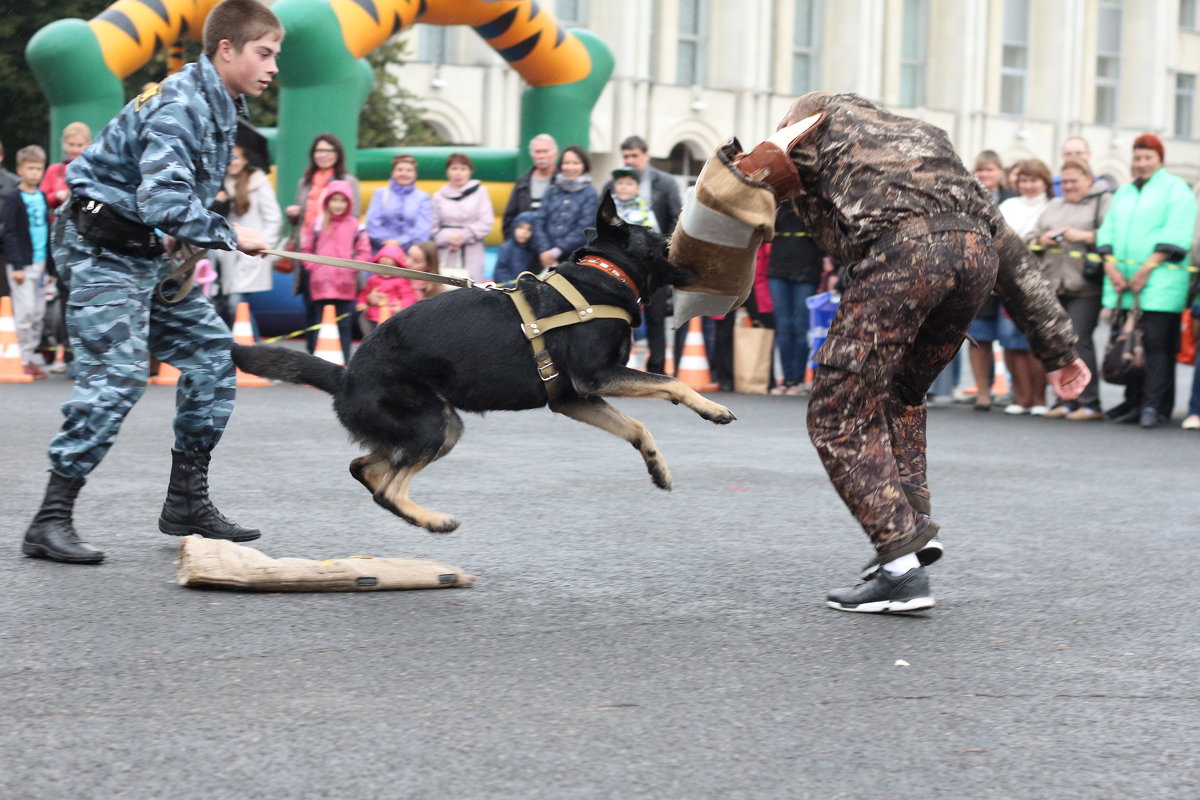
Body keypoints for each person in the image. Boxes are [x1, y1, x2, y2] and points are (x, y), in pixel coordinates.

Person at [744, 92, 1086, 612]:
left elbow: (778, 202)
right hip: (975, 258)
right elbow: (1009, 245)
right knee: (901, 393)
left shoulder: (807, 132)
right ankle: (913, 529)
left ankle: (901, 569)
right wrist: (1060, 349)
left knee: (836, 415)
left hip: (902, 257)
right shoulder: (928, 138)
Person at [20, 0, 282, 565]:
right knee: (117, 378)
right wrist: (231, 232)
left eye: (277, 55)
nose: (273, 66)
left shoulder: (221, 106)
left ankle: (186, 502)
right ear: (227, 49)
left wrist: (197, 236)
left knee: (213, 358)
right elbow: (161, 200)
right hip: (99, 249)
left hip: (144, 255)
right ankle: (49, 520)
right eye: (265, 53)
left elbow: (169, 201)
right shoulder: (181, 105)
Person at [1096, 133, 1197, 428]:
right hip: (1125, 285)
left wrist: (1146, 269)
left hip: (1160, 283)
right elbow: (1108, 230)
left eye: (1147, 158)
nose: (1140, 164)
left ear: (1160, 160)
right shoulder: (1125, 192)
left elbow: (1177, 232)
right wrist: (1111, 267)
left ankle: (1154, 405)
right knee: (1129, 344)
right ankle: (1134, 400)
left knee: (1156, 345)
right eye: (1137, 158)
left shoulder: (1175, 189)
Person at [1030, 157, 1111, 420]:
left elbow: (1113, 234)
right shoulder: (1054, 205)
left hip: (1085, 287)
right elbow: (1031, 238)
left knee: (1080, 341)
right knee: (1058, 344)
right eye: (1063, 181)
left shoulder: (1103, 202)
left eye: (1073, 181)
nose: (1068, 186)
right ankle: (1065, 399)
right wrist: (1042, 239)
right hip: (1055, 285)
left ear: (1089, 180)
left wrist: (1085, 236)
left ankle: (1090, 402)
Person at [601, 135, 684, 375]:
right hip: (620, 263)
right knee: (618, 315)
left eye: (634, 155)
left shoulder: (664, 182)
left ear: (646, 156)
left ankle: (656, 368)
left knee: (657, 316)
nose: (630, 160)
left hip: (653, 262)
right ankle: (614, 366)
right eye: (626, 156)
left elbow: (675, 219)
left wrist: (667, 253)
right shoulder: (612, 183)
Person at [286, 133, 361, 339]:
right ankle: (313, 351)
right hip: (309, 250)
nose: (324, 155)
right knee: (312, 305)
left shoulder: (348, 181)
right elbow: (301, 216)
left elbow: (353, 217)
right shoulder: (306, 181)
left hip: (337, 252)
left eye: (329, 150)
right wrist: (294, 214)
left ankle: (340, 354)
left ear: (338, 154)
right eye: (319, 150)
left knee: (339, 311)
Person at [997, 159, 1055, 415]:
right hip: (1009, 279)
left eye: (1034, 180)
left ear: (1045, 182)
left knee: (1037, 341)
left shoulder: (1053, 207)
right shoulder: (1008, 205)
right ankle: (1021, 397)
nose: (1029, 185)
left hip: (1042, 280)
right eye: (1024, 180)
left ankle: (1039, 398)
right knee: (1011, 340)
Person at [37, 122, 92, 375]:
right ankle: (67, 352)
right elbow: (43, 195)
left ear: (88, 145)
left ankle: (85, 354)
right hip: (59, 240)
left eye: (80, 145)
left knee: (86, 296)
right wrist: (56, 195)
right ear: (64, 145)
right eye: (71, 145)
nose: (75, 149)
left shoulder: (93, 167)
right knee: (64, 296)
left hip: (86, 238)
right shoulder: (55, 170)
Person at [962, 150, 1016, 411]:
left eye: (990, 170)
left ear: (1001, 173)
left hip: (1008, 276)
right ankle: (982, 391)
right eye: (980, 170)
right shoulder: (966, 199)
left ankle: (1012, 391)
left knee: (1010, 337)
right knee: (979, 336)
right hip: (979, 275)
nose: (985, 175)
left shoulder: (1013, 200)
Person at [213, 125, 281, 330]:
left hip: (250, 251)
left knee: (236, 303)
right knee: (226, 305)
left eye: (236, 157)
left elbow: (274, 219)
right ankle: (245, 349)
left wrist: (262, 244)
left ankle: (254, 349)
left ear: (245, 159)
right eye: (228, 158)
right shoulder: (221, 185)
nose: (231, 163)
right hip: (227, 253)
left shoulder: (258, 183)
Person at [301, 180, 371, 363]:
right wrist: (314, 267)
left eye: (342, 200)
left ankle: (344, 364)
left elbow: (365, 252)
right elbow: (306, 250)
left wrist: (353, 269)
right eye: (334, 200)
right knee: (319, 325)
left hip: (345, 286)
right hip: (320, 285)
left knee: (343, 326)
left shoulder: (356, 225)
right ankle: (317, 363)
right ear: (327, 202)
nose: (338, 205)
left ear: (349, 203)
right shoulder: (317, 224)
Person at [0, 145, 52, 379]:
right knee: (25, 312)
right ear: (20, 170)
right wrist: (17, 265)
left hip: (41, 262)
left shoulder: (41, 196)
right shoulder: (13, 198)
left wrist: (51, 266)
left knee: (39, 313)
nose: (35, 173)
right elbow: (9, 232)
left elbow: (47, 230)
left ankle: (30, 357)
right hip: (22, 263)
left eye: (39, 168)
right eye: (30, 168)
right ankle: (20, 358)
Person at [767, 201, 825, 395]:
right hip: (778, 273)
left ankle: (798, 380)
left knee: (800, 328)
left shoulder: (811, 208)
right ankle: (786, 378)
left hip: (806, 274)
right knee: (783, 327)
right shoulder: (778, 208)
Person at [430, 152, 494, 283]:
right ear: (447, 172)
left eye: (463, 169)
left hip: (472, 250)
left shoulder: (480, 192)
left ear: (470, 171)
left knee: (473, 290)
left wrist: (463, 236)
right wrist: (448, 238)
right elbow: (431, 226)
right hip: (445, 252)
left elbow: (486, 222)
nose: (458, 173)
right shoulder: (438, 196)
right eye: (454, 169)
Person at [532, 145, 598, 270]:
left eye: (576, 163)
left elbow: (584, 227)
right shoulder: (552, 190)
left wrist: (557, 251)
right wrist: (544, 250)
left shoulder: (590, 193)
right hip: (543, 258)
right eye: (566, 163)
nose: (570, 167)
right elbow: (540, 220)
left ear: (584, 165)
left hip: (573, 259)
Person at [365, 154, 432, 255]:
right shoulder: (380, 193)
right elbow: (372, 222)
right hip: (382, 250)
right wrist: (388, 242)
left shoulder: (422, 197)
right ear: (392, 173)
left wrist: (401, 242)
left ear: (415, 174)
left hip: (411, 252)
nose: (404, 173)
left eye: (409, 170)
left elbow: (423, 227)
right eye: (400, 170)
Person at [501, 133, 558, 239]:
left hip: (553, 246)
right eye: (537, 152)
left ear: (555, 154)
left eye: (545, 151)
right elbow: (509, 217)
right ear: (532, 155)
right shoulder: (522, 183)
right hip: (525, 244)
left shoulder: (563, 181)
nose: (541, 156)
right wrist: (514, 242)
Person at [356, 244, 416, 335]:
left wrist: (402, 307)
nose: (386, 270)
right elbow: (364, 293)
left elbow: (408, 296)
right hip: (373, 317)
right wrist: (362, 303)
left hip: (391, 317)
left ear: (398, 267)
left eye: (390, 267)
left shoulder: (401, 281)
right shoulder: (373, 280)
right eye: (382, 267)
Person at [492, 211, 538, 285]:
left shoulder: (535, 250)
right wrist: (511, 288)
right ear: (514, 227)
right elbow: (500, 272)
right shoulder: (506, 248)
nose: (524, 232)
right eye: (521, 227)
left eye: (529, 229)